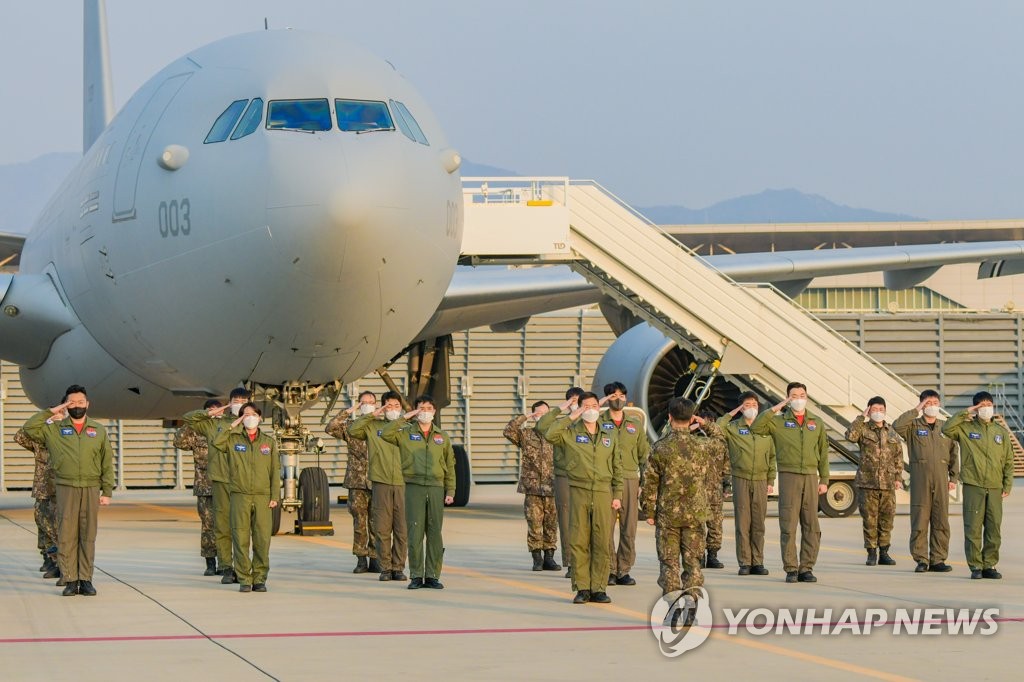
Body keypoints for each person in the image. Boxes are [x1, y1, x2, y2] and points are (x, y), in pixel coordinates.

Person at [23, 385, 114, 596]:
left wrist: (107, 491)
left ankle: (86, 579)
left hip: (91, 488)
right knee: (66, 536)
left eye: (81, 402)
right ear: (66, 404)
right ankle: (71, 579)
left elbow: (106, 462)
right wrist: (52, 412)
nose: (77, 406)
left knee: (87, 535)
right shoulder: (54, 429)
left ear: (88, 404)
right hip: (66, 487)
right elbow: (29, 428)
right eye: (71, 403)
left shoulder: (98, 430)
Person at [642, 398, 721, 623]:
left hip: (668, 515)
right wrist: (704, 424)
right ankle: (692, 606)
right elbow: (721, 438)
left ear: (669, 417)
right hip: (695, 515)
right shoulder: (703, 445)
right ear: (691, 418)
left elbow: (649, 482)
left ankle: (674, 608)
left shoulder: (660, 447)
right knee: (693, 562)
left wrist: (648, 510)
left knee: (669, 563)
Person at [544, 392, 622, 605]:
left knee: (602, 541)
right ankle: (582, 588)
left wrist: (618, 495)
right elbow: (549, 434)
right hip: (579, 490)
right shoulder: (569, 433)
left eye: (594, 405)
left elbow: (617, 466)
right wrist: (572, 415)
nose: (591, 410)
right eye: (585, 406)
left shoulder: (609, 435)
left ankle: (599, 587)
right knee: (579, 541)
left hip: (604, 492)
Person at [752, 381, 828, 583]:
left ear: (807, 397)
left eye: (802, 395)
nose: (798, 399)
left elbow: (823, 452)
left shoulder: (816, 422)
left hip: (811, 477)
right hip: (789, 476)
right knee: (789, 524)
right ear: (787, 398)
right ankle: (791, 568)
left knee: (811, 524)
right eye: (793, 396)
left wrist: (824, 479)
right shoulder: (777, 422)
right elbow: (757, 427)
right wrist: (778, 407)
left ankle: (806, 568)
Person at [380, 395, 456, 590]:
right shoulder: (405, 433)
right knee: (414, 532)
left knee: (434, 533)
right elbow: (385, 433)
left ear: (435, 412)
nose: (425, 412)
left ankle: (432, 575)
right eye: (421, 408)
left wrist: (451, 490)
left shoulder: (442, 437)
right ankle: (415, 575)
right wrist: (405, 417)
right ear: (415, 410)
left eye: (429, 408)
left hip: (436, 487)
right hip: (414, 486)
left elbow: (449, 465)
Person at [942, 391, 1014, 579]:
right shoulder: (965, 428)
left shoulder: (1000, 432)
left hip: (995, 486)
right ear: (975, 408)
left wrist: (1007, 484)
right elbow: (947, 429)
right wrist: (967, 412)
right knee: (973, 527)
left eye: (989, 404)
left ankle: (989, 565)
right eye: (982, 405)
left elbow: (1008, 460)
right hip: (974, 485)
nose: (986, 408)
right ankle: (975, 566)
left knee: (993, 528)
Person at [183, 387, 251, 584]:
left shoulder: (251, 424)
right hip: (220, 482)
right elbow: (189, 419)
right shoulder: (215, 425)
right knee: (221, 527)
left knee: (242, 528)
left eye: (243, 400)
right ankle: (225, 567)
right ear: (229, 402)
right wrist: (212, 412)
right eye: (235, 400)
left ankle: (242, 567)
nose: (239, 403)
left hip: (242, 484)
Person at [210, 402, 280, 592]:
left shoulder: (268, 442)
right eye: (245, 414)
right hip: (240, 495)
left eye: (253, 414)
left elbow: (275, 470)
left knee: (262, 540)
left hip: (263, 496)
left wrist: (275, 495)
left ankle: (260, 578)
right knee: (240, 538)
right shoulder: (233, 440)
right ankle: (244, 579)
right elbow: (216, 442)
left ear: (259, 417)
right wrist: (234, 424)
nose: (250, 417)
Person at [892, 390, 959, 573]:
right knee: (920, 520)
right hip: (921, 479)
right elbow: (896, 426)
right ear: (922, 405)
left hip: (941, 480)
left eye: (935, 402)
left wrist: (953, 477)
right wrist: (917, 409)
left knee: (941, 521)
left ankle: (938, 559)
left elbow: (954, 453)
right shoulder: (913, 426)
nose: (933, 406)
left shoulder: (945, 428)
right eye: (928, 403)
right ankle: (921, 559)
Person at [349, 390, 408, 582]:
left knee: (401, 530)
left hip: (402, 483)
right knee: (382, 529)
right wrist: (371, 414)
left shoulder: (407, 427)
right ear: (382, 407)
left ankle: (398, 568)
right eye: (388, 406)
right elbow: (353, 430)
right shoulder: (372, 427)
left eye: (396, 406)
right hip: (381, 483)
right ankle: (385, 568)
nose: (392, 409)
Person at [717, 393, 776, 576]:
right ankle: (744, 562)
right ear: (741, 408)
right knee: (743, 523)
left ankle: (758, 561)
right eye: (747, 404)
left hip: (760, 479)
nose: (751, 407)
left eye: (754, 404)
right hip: (741, 478)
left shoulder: (766, 429)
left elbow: (772, 456)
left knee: (758, 523)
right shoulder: (733, 428)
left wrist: (770, 480)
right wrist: (732, 413)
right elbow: (718, 427)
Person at [326, 391, 381, 574]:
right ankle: (360, 559)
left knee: (376, 522)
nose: (368, 405)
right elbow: (330, 427)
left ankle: (375, 558)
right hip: (357, 482)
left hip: (377, 480)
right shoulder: (350, 426)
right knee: (360, 522)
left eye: (371, 402)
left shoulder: (381, 427)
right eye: (364, 402)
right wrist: (348, 411)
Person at [600, 382, 649, 586]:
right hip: (606, 479)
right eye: (613, 395)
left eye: (621, 395)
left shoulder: (634, 424)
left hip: (630, 478)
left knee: (629, 528)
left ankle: (624, 570)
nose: (617, 398)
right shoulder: (599, 422)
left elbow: (643, 455)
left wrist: (643, 483)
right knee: (606, 528)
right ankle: (609, 569)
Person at [846, 396, 904, 567]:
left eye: (881, 410)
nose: (878, 413)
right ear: (869, 411)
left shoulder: (892, 432)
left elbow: (898, 456)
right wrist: (860, 417)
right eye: (874, 410)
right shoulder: (863, 429)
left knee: (887, 519)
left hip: (888, 483)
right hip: (868, 482)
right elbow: (850, 435)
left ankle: (884, 552)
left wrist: (898, 478)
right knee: (870, 519)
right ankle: (871, 553)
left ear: (885, 411)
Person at [503, 401, 561, 572]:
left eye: (545, 413)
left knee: (551, 524)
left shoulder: (557, 434)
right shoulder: (527, 435)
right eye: (538, 413)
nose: (542, 415)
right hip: (533, 487)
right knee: (534, 523)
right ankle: (537, 558)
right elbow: (508, 431)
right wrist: (525, 417)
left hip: (553, 486)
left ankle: (549, 557)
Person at [535, 386, 585, 578]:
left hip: (587, 476)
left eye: (579, 402)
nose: (577, 406)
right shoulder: (561, 424)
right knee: (566, 521)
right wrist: (561, 408)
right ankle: (571, 562)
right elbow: (541, 427)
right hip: (565, 475)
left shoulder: (592, 421)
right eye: (573, 401)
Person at [173, 399, 220, 576]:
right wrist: (194, 420)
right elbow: (179, 442)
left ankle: (226, 563)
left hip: (225, 486)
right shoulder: (197, 431)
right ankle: (210, 562)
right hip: (204, 486)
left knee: (226, 526)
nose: (214, 413)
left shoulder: (227, 429)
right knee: (208, 526)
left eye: (217, 410)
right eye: (210, 411)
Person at [14, 428, 59, 579]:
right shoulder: (41, 442)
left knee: (56, 525)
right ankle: (47, 556)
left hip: (59, 490)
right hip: (42, 489)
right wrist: (44, 417)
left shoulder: (66, 440)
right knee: (41, 521)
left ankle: (58, 561)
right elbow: (19, 436)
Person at [700, 409, 730, 570]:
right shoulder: (693, 439)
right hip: (696, 491)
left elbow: (726, 465)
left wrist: (726, 484)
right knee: (697, 525)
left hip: (715, 490)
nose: (707, 423)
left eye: (711, 420)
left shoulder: (719, 443)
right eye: (705, 420)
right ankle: (698, 556)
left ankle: (712, 554)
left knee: (715, 525)